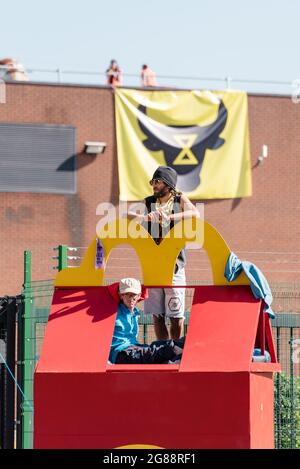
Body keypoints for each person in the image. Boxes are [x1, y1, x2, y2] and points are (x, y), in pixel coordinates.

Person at [131, 166, 200, 341]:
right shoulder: (148, 202)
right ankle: (163, 351)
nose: (153, 185)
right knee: (157, 315)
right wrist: (147, 217)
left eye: (157, 181)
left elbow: (195, 213)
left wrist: (171, 217)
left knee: (176, 315)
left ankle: (175, 350)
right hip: (153, 265)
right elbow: (126, 215)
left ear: (168, 184)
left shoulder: (178, 198)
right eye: (152, 182)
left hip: (175, 266)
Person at [109, 277, 185, 364]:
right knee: (153, 352)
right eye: (127, 294)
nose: (131, 298)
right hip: (120, 352)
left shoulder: (134, 313)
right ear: (121, 295)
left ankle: (173, 357)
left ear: (139, 296)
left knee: (157, 346)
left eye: (134, 295)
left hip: (134, 347)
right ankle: (176, 347)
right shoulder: (115, 311)